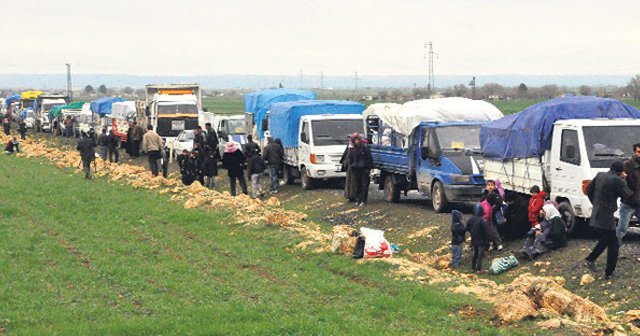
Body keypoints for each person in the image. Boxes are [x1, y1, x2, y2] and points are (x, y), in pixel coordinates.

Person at [584, 161, 633, 280]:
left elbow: (588, 189)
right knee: (614, 243)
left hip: (596, 213)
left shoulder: (600, 175)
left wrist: (595, 203)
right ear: (621, 171)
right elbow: (627, 195)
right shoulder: (617, 180)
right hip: (606, 216)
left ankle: (590, 259)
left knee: (606, 239)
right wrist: (624, 180)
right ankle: (609, 273)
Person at [618, 143, 640, 244]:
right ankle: (613, 250)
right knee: (622, 229)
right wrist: (629, 195)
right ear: (634, 152)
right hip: (629, 204)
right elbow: (621, 183)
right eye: (639, 152)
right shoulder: (627, 165)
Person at [347, 133, 372, 206]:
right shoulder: (352, 150)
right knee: (357, 185)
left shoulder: (365, 148)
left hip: (364, 169)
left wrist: (368, 168)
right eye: (355, 140)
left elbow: (369, 159)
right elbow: (350, 159)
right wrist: (352, 167)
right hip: (355, 169)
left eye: (358, 140)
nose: (357, 141)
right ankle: (358, 199)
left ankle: (363, 200)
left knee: (364, 185)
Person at [467, 203, 490, 274]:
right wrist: (488, 240)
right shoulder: (482, 220)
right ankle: (478, 269)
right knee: (480, 255)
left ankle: (473, 268)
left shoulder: (470, 220)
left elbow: (468, 228)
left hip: (474, 239)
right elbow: (486, 231)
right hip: (482, 240)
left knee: (475, 254)